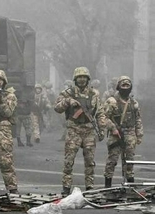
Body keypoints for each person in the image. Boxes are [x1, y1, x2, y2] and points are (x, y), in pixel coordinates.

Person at [53, 67, 111, 195]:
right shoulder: (68, 93)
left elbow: (100, 112)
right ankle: (66, 187)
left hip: (89, 130)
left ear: (88, 79)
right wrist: (68, 102)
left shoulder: (94, 94)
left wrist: (102, 129)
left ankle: (89, 187)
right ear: (75, 79)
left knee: (90, 161)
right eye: (79, 77)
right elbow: (57, 108)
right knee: (69, 160)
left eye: (84, 77)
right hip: (74, 129)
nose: (82, 79)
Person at [103, 76, 144, 187]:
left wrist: (139, 134)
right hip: (116, 135)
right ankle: (108, 187)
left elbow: (138, 119)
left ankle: (130, 187)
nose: (125, 88)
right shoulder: (112, 101)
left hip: (130, 134)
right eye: (123, 85)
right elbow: (103, 117)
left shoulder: (133, 102)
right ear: (118, 87)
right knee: (112, 161)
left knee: (129, 162)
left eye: (127, 85)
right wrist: (113, 128)